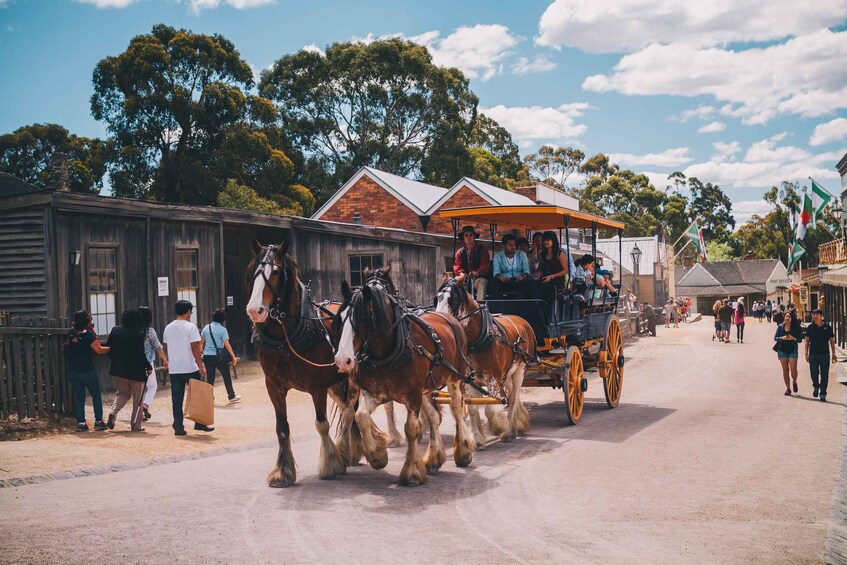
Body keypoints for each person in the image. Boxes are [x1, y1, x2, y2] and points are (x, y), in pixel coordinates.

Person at [163, 300, 211, 436]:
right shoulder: (191, 327)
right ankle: (199, 423)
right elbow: (195, 347)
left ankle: (178, 426)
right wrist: (201, 366)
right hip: (190, 367)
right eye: (191, 311)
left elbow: (167, 345)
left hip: (175, 368)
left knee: (176, 399)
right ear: (188, 311)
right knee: (196, 396)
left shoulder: (168, 327)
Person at [105, 309, 152, 432]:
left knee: (122, 394)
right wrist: (148, 366)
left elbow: (109, 348)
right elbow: (140, 354)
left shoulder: (115, 330)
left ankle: (113, 412)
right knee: (138, 400)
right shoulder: (138, 334)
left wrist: (115, 361)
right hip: (136, 372)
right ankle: (136, 425)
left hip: (119, 370)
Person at [65, 310, 110, 431]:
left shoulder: (71, 333)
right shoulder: (88, 335)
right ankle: (99, 421)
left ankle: (81, 423)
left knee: (80, 397)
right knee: (95, 394)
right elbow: (99, 350)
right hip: (87, 370)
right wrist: (112, 348)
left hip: (73, 370)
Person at [201, 308, 241, 403]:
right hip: (219, 356)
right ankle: (231, 396)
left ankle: (209, 397)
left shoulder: (207, 328)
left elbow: (200, 341)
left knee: (210, 377)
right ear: (223, 320)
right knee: (226, 376)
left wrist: (201, 352)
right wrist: (233, 357)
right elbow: (226, 344)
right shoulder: (223, 330)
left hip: (207, 356)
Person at [139, 306, 168, 422]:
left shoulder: (133, 330)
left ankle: (139, 410)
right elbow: (157, 347)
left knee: (138, 389)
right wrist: (165, 359)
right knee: (152, 386)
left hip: (133, 362)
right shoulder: (149, 331)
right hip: (147, 362)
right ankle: (145, 405)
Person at [805, 308, 837, 402]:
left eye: (817, 314)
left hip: (825, 354)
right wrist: (806, 353)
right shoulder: (810, 327)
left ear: (821, 316)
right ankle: (816, 386)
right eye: (813, 314)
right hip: (813, 354)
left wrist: (834, 354)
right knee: (813, 373)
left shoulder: (827, 327)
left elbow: (832, 341)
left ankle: (823, 393)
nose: (815, 316)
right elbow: (807, 340)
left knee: (825, 375)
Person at [453, 225, 491, 301]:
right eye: (466, 235)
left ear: (474, 237)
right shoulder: (460, 252)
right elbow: (457, 266)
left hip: (478, 278)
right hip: (465, 279)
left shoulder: (482, 250)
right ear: (463, 237)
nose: (468, 237)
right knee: (456, 283)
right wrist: (462, 274)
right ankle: (462, 307)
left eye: (471, 235)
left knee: (482, 282)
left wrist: (477, 272)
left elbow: (485, 265)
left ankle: (479, 306)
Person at [538, 231, 570, 311]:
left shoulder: (560, 254)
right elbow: (540, 268)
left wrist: (552, 276)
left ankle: (548, 314)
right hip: (545, 279)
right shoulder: (542, 254)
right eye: (544, 240)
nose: (545, 242)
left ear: (553, 241)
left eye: (548, 240)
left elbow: (565, 270)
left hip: (557, 281)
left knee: (546, 289)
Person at [774, 311, 804, 396]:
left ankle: (794, 381)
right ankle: (788, 388)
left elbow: (800, 339)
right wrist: (782, 338)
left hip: (792, 350)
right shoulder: (780, 327)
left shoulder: (795, 327)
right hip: (782, 350)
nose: (787, 318)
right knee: (785, 369)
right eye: (786, 316)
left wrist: (793, 338)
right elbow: (775, 338)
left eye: (789, 317)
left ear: (792, 318)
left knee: (793, 369)